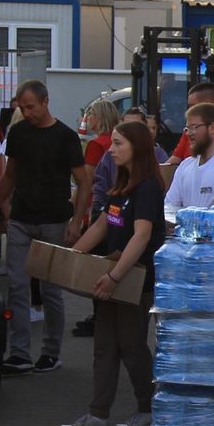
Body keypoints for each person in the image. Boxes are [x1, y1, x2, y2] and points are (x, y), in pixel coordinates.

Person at [58, 120, 166, 426]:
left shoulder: (147, 187)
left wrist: (115, 276)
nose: (112, 149)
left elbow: (142, 236)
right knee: (105, 347)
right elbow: (102, 226)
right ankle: (97, 415)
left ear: (137, 147)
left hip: (134, 280)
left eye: (119, 143)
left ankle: (147, 409)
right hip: (110, 275)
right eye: (112, 143)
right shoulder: (121, 185)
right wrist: (70, 259)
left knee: (131, 345)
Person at [0, 80, 88, 376]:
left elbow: (84, 182)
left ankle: (50, 352)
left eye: (31, 106)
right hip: (22, 218)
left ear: (46, 102)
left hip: (53, 219)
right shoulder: (19, 133)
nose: (26, 112)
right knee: (18, 286)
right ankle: (20, 353)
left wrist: (76, 222)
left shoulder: (66, 137)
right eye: (22, 107)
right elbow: (11, 173)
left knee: (50, 290)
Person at [70, 97, 122, 340]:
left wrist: (78, 216)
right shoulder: (119, 143)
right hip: (120, 209)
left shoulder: (95, 146)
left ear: (98, 118)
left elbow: (87, 183)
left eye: (90, 115)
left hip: (101, 208)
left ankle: (98, 315)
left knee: (97, 262)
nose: (87, 120)